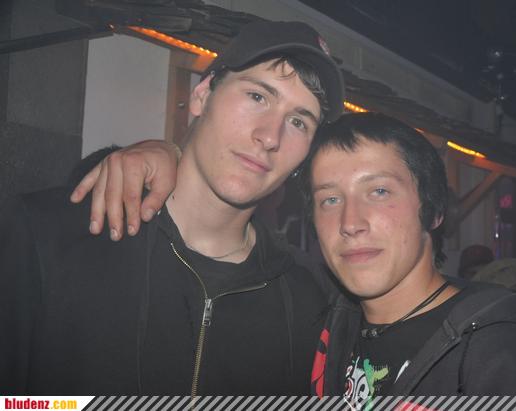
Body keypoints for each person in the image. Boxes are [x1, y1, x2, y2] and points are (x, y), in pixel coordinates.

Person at [0, 20, 344, 395]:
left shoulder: (305, 301)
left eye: (298, 121)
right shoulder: (49, 234)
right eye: (257, 97)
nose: (270, 137)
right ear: (202, 95)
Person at [297, 113, 516, 405]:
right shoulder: (329, 326)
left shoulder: (504, 356)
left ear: (433, 212)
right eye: (330, 200)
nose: (350, 223)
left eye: (379, 191)